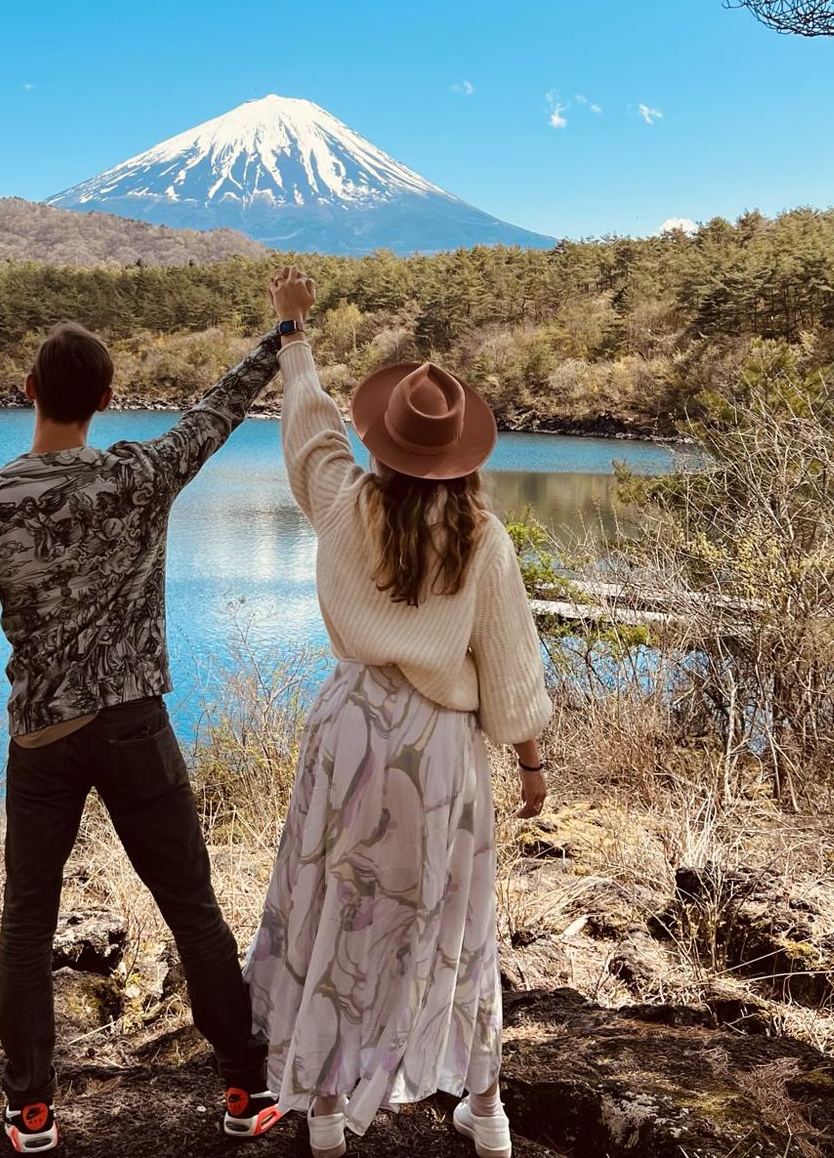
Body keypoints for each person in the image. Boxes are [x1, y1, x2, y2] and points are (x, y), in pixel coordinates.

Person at [0, 320, 288, 1153]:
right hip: (135, 723)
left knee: (28, 922)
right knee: (191, 906)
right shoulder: (140, 476)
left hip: (41, 738)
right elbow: (216, 413)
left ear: (29, 390)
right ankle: (245, 1088)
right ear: (104, 399)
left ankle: (32, 1108)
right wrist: (281, 338)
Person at [247, 266, 552, 1158]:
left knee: (342, 911)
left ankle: (329, 1107)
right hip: (440, 752)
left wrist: (294, 332)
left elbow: (309, 432)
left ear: (382, 444)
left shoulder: (346, 503)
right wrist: (530, 763)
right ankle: (486, 1108)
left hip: (350, 732)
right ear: (463, 456)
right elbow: (509, 666)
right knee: (454, 916)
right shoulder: (484, 541)